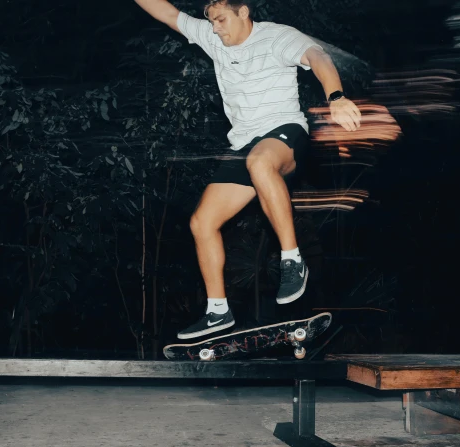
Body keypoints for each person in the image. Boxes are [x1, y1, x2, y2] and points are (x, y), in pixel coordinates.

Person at [134, 0, 362, 339]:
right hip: (243, 145)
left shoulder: (277, 37)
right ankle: (217, 312)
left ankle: (292, 259)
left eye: (221, 20)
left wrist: (336, 97)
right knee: (202, 222)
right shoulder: (213, 37)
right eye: (211, 22)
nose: (215, 29)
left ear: (243, 12)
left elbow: (319, 57)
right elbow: (166, 12)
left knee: (260, 161)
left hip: (284, 133)